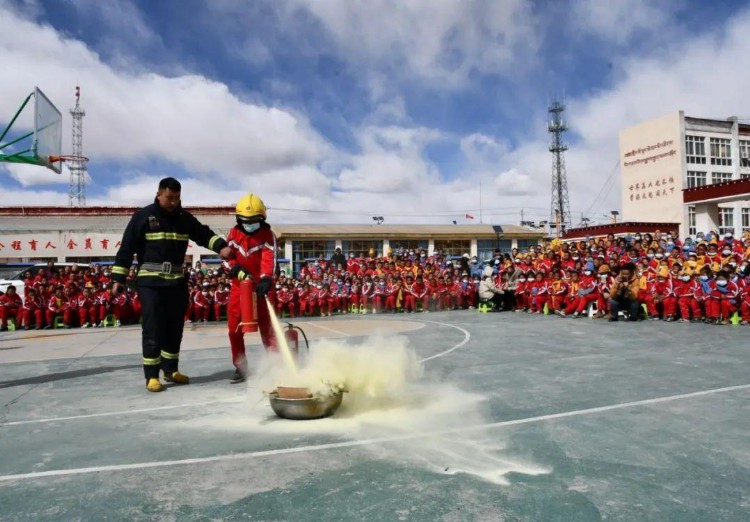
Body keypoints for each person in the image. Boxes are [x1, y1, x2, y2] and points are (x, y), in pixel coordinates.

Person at [111, 177, 231, 393]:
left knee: (175, 327)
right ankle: (152, 376)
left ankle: (170, 370)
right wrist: (118, 278)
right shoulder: (143, 217)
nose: (174, 202)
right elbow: (127, 248)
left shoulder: (184, 218)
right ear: (159, 195)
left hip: (176, 282)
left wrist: (221, 247)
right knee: (153, 328)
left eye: (177, 198)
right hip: (150, 283)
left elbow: (203, 233)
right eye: (169, 198)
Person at [223, 193, 278, 384]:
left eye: (254, 220)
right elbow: (227, 258)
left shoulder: (267, 235)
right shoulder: (232, 233)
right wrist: (235, 269)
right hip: (239, 288)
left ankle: (276, 365)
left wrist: (265, 279)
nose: (249, 223)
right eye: (246, 220)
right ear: (239, 219)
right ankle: (240, 366)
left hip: (263, 287)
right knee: (233, 330)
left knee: (269, 329)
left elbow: (269, 258)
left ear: (261, 219)